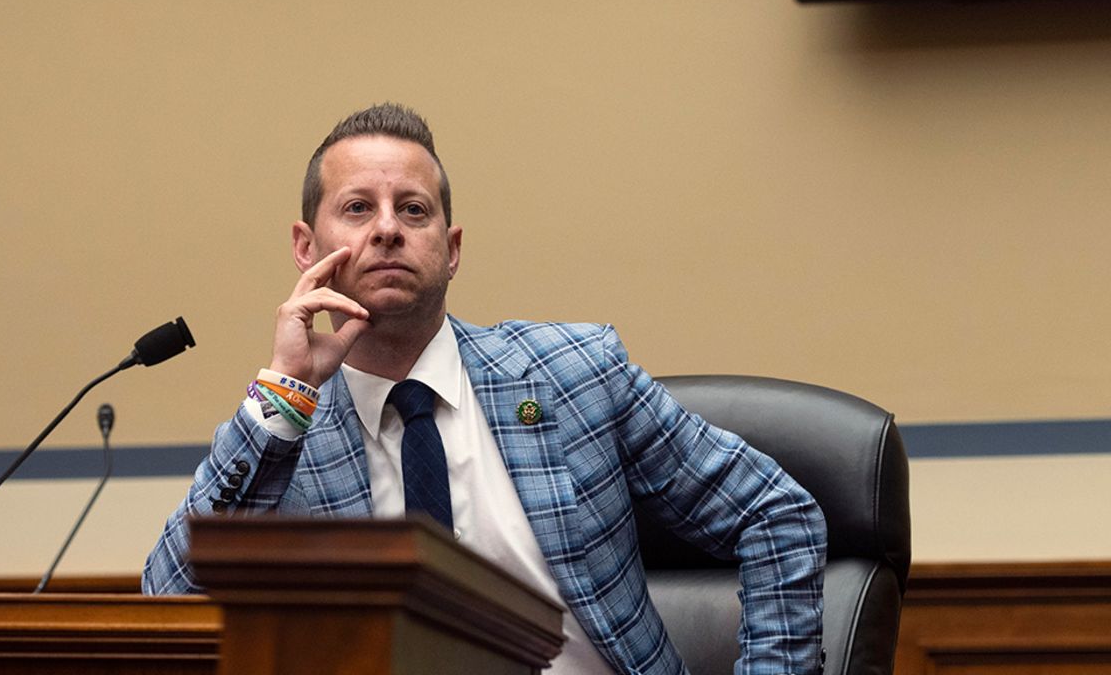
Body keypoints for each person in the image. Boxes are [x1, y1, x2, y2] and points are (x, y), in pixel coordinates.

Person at [143, 103, 827, 675]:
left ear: (453, 247)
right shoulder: (284, 439)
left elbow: (777, 515)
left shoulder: (575, 373)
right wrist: (286, 395)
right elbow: (168, 600)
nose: (387, 228)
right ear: (305, 247)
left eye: (413, 210)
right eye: (357, 208)